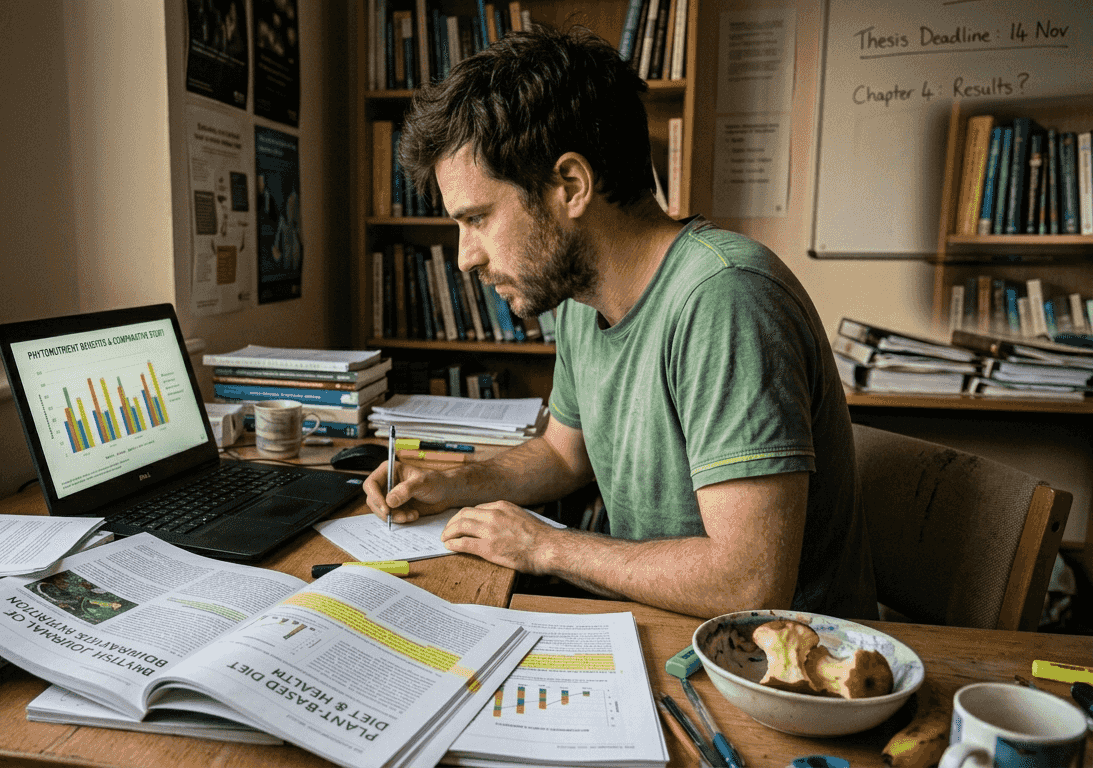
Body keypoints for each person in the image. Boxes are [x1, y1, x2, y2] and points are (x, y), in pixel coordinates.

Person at [363, 25, 875, 620]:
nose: (464, 257)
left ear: (571, 186)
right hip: (662, 623)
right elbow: (564, 454)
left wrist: (545, 545)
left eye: (477, 218)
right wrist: (453, 485)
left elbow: (751, 584)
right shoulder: (585, 298)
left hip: (782, 673)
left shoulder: (725, 298)